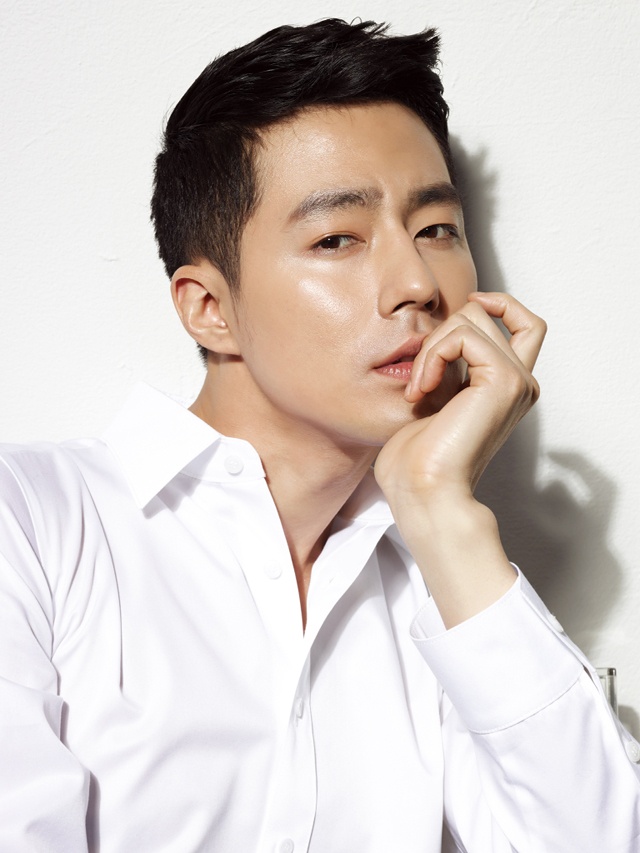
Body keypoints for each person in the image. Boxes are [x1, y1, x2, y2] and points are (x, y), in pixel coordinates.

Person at [0, 18, 639, 852]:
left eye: (437, 229)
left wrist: (441, 511)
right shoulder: (33, 524)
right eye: (337, 239)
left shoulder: (446, 589)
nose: (417, 284)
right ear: (210, 308)